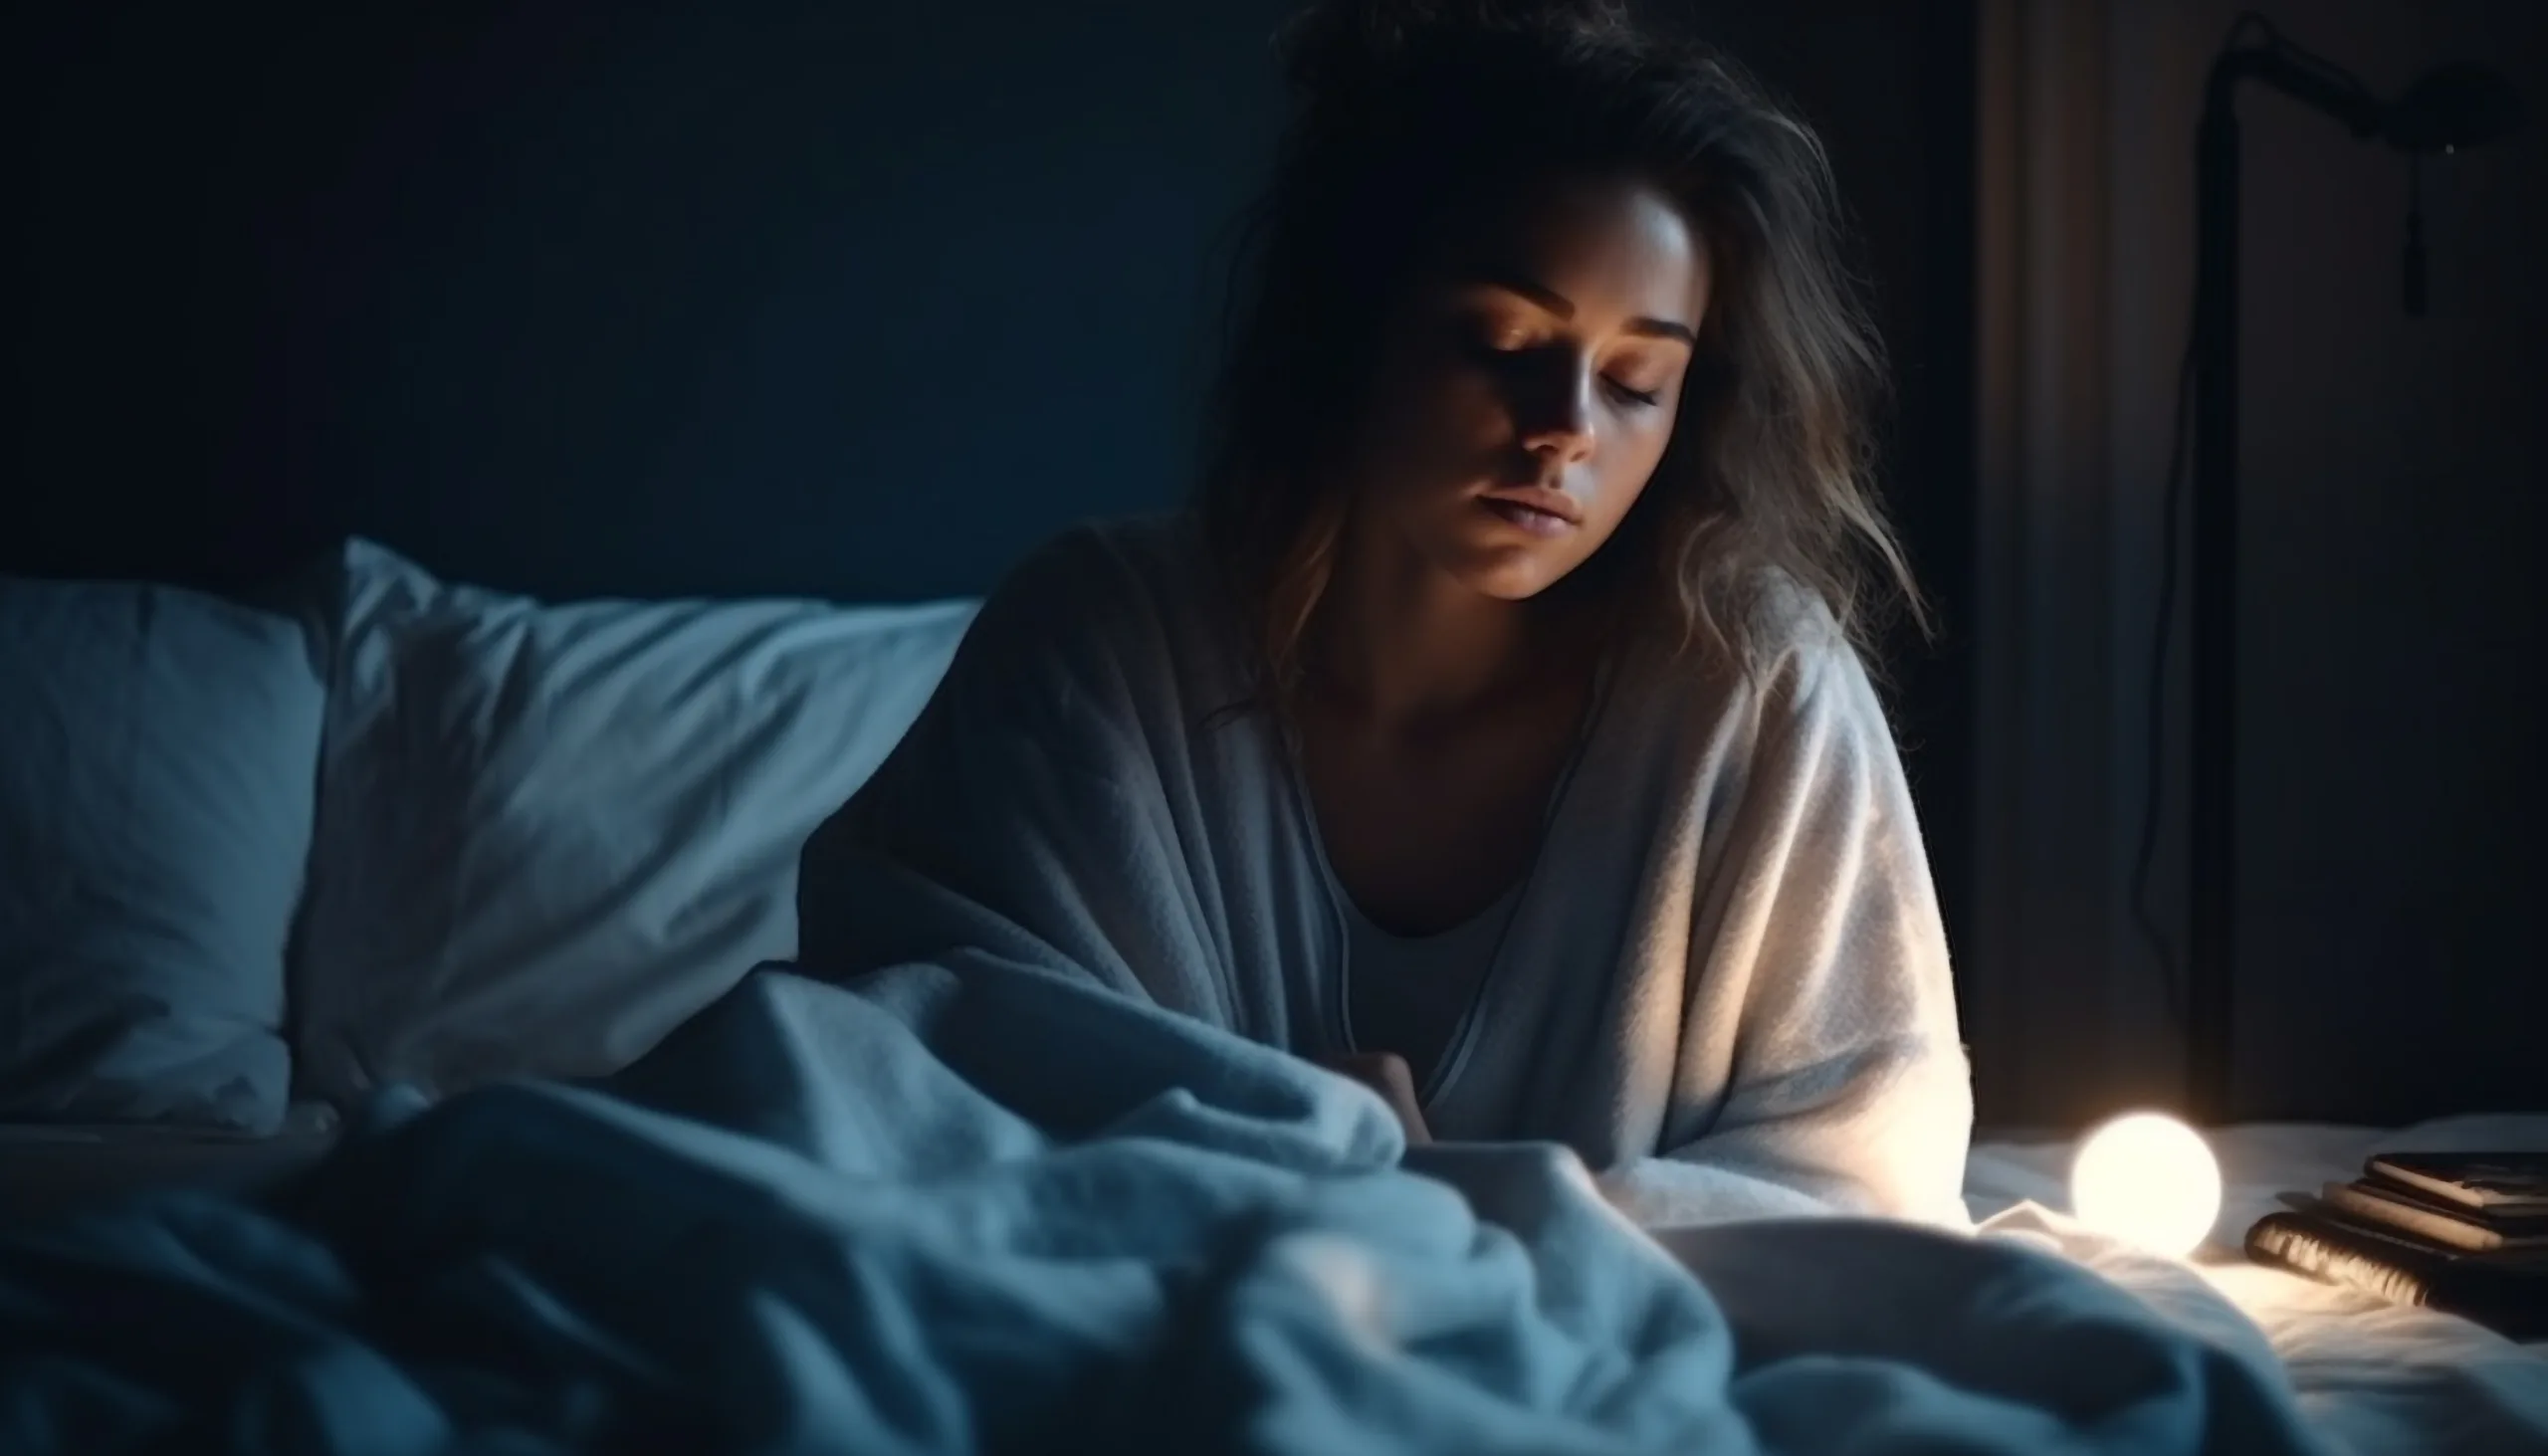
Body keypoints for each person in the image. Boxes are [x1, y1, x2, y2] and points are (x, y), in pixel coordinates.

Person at [798, 0, 1972, 1228]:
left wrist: (1439, 1199)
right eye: (1500, 339)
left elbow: (1865, 1169)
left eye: (1637, 380)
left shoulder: (1750, 687)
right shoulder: (1098, 643)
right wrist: (1313, 1150)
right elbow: (910, 1063)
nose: (1565, 424)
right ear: (1353, 320)